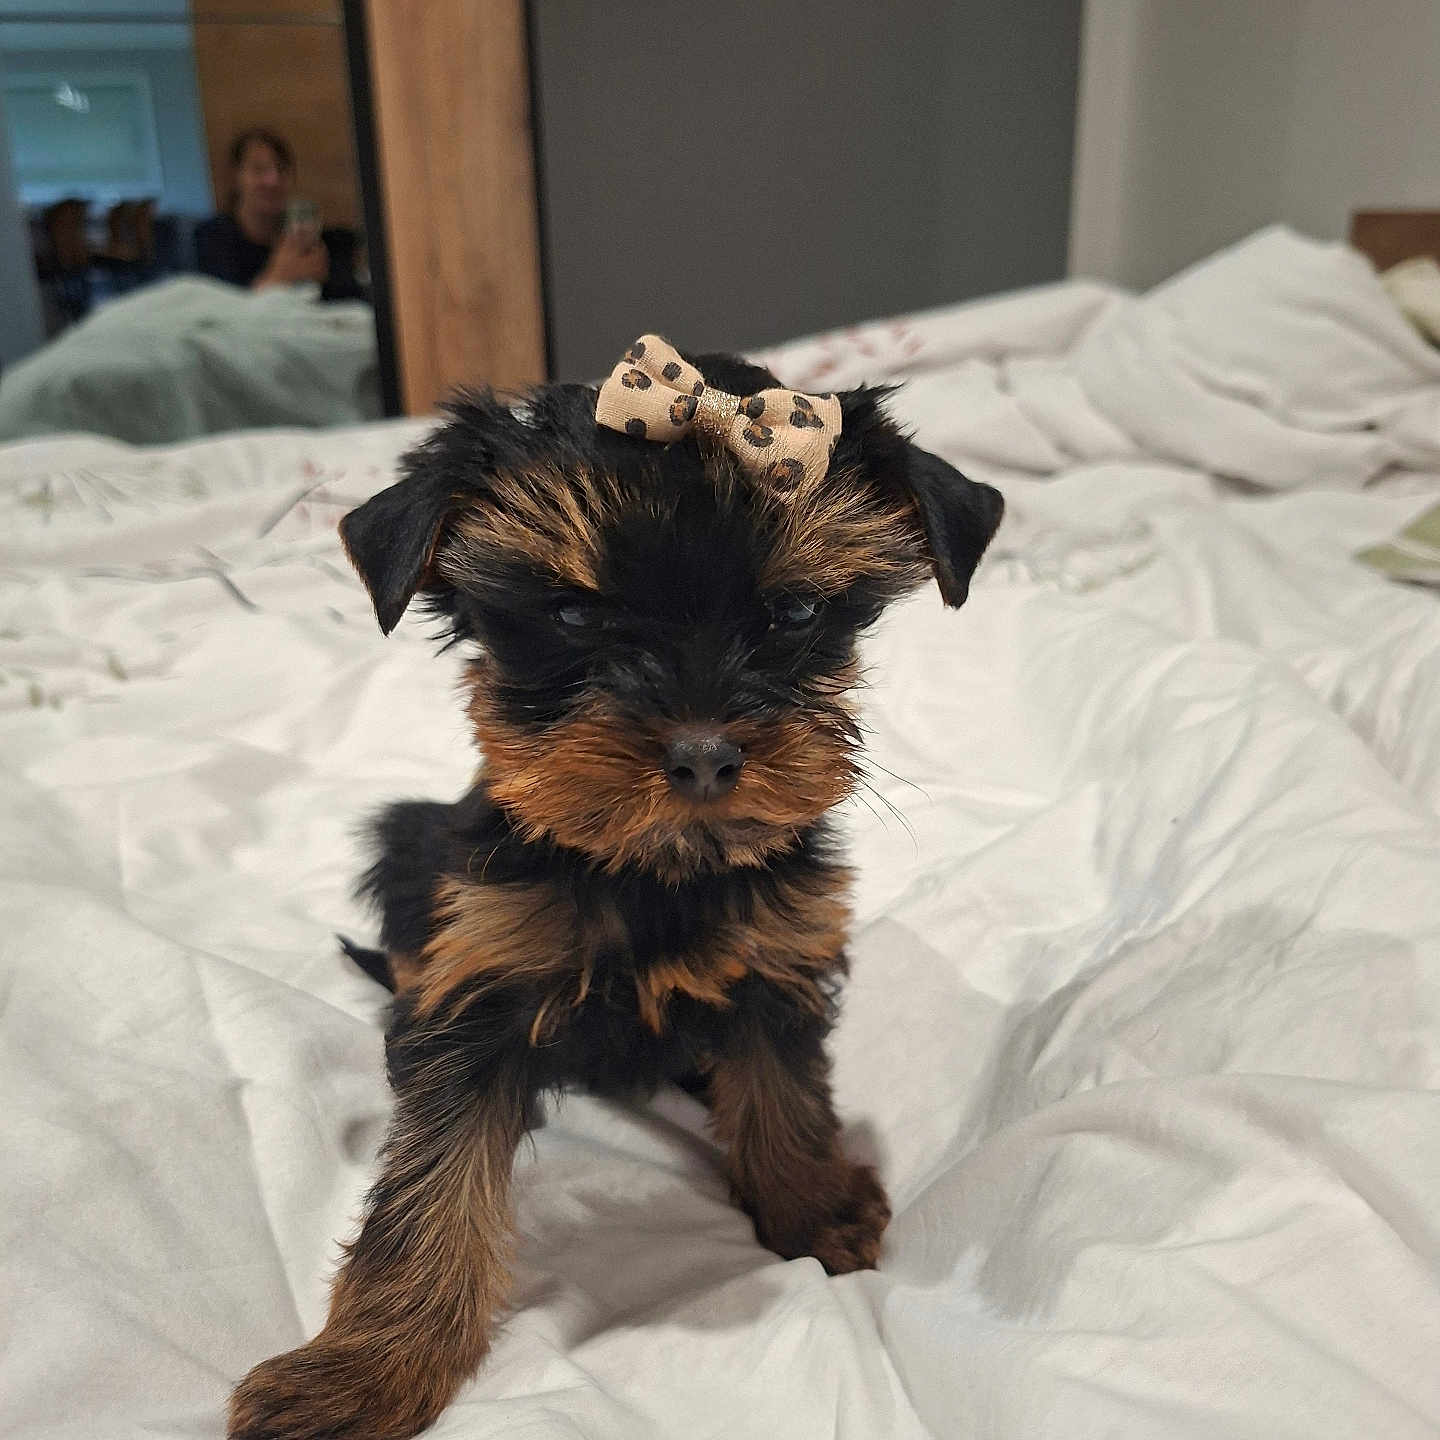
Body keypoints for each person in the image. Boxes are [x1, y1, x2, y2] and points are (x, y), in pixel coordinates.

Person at [194, 129, 331, 291]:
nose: (273, 180)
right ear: (236, 177)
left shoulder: (303, 236)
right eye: (258, 170)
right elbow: (223, 310)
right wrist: (279, 276)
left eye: (281, 169)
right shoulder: (212, 238)